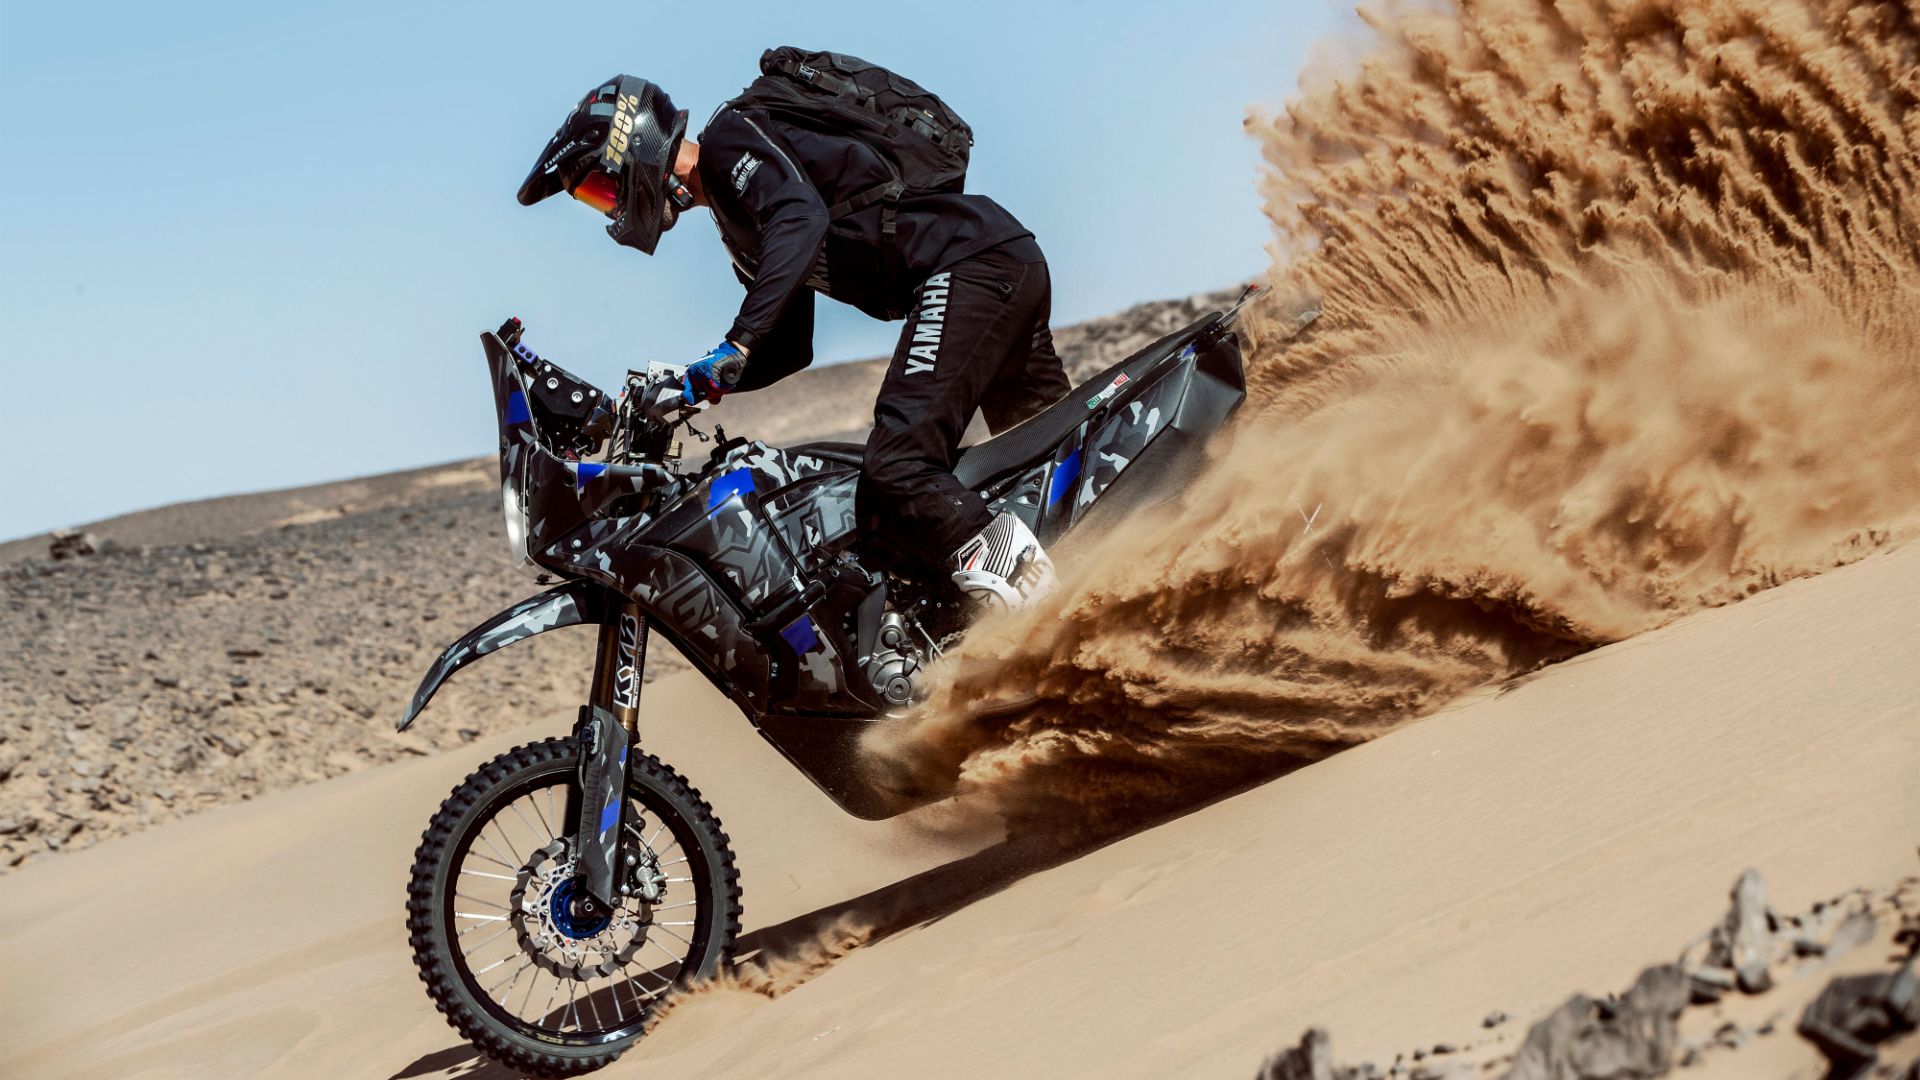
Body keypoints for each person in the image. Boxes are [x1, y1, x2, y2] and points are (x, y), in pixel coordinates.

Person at [516, 73, 1067, 610]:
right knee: (1045, 454)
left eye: (601, 187)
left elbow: (801, 218)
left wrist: (736, 344)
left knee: (899, 467)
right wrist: (692, 384)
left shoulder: (729, 138)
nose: (611, 206)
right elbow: (789, 347)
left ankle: (1043, 607)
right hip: (990, 264)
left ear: (633, 143)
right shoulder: (740, 227)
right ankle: (1087, 569)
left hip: (968, 266)